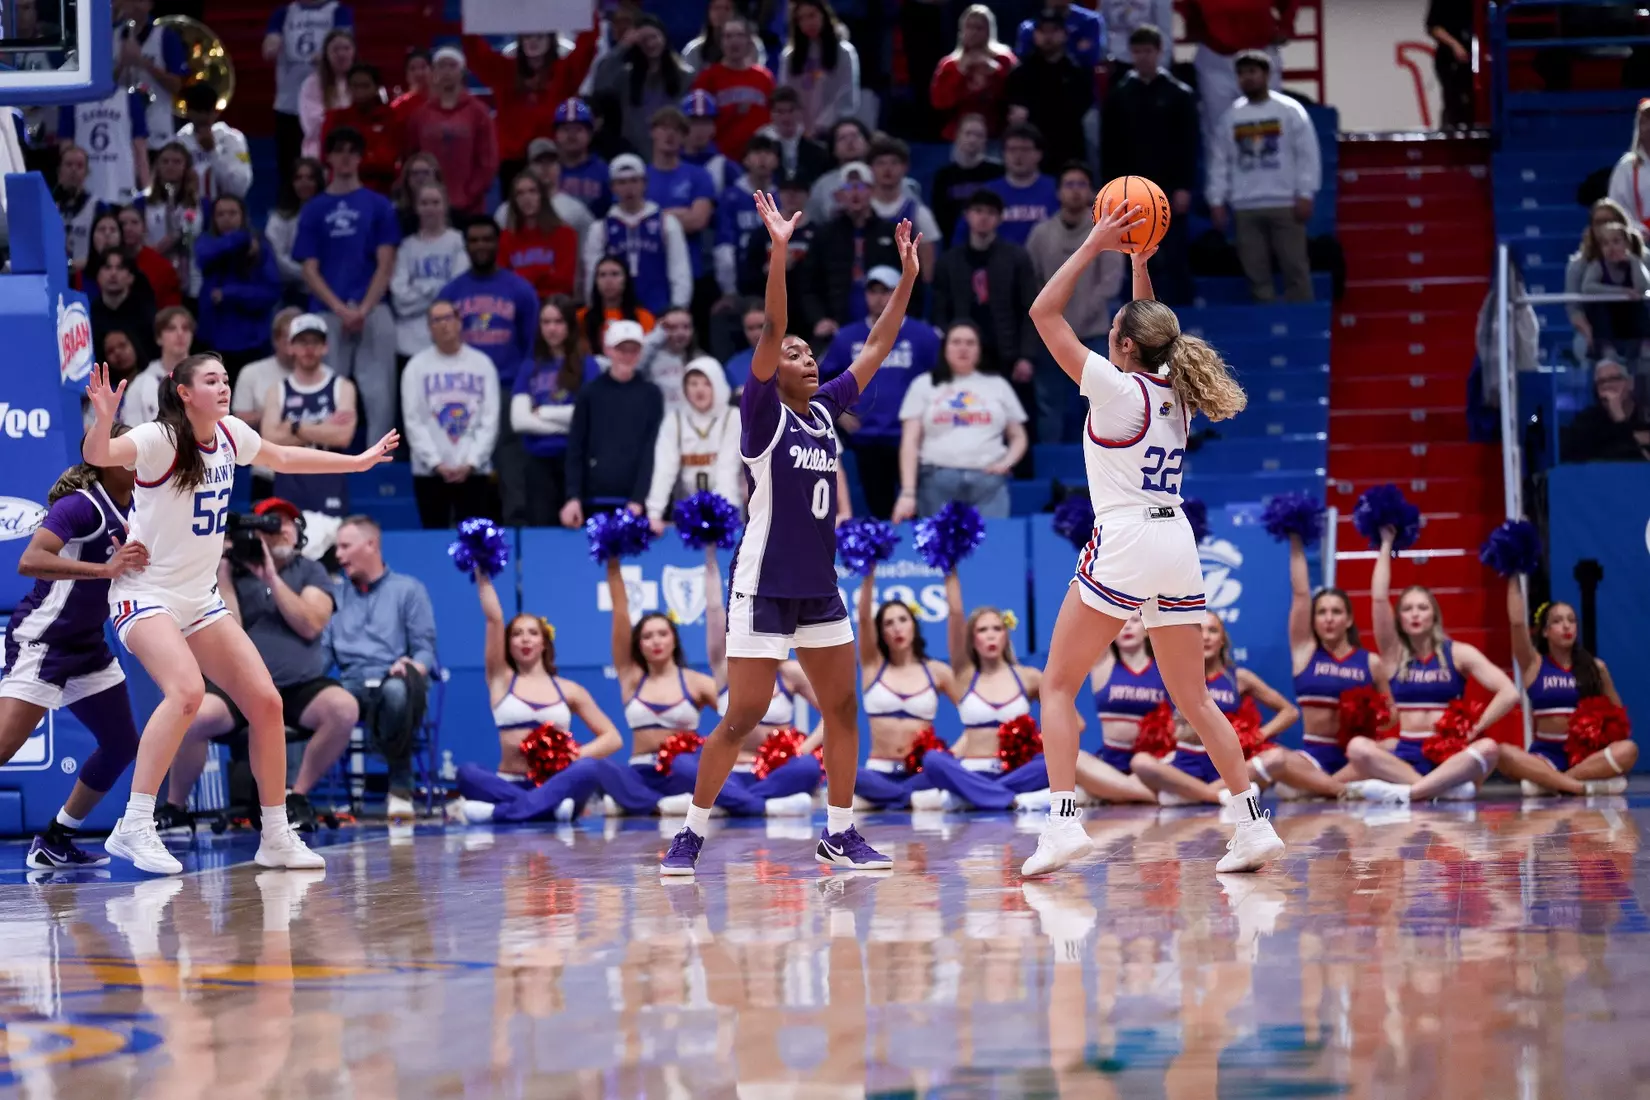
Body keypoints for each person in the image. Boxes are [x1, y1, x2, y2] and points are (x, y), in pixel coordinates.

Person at [658, 199, 922, 875]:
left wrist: (909, 277)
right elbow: (774, 325)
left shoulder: (827, 410)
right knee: (743, 716)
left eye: (809, 353)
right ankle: (690, 832)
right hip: (765, 586)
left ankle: (839, 832)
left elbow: (879, 346)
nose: (805, 358)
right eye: (794, 354)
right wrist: (779, 248)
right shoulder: (761, 415)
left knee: (840, 706)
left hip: (819, 590)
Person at [1024, 201, 1284, 878]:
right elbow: (1153, 330)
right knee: (1195, 700)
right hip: (1179, 544)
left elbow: (1043, 316)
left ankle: (1060, 824)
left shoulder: (1113, 389)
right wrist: (1139, 263)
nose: (1108, 335)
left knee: (1056, 684)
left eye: (1114, 330)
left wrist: (1090, 248)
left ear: (1125, 346)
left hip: (1129, 538)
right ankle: (1251, 822)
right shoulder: (1175, 392)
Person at [83, 355, 394, 875]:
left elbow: (285, 457)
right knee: (186, 693)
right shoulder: (160, 438)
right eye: (211, 380)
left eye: (227, 379)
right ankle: (135, 823)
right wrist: (101, 415)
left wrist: (357, 462)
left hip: (199, 597)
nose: (224, 387)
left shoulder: (229, 434)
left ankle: (275, 834)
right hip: (146, 592)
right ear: (183, 392)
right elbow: (101, 454)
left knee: (266, 703)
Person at [159, 497, 361, 835]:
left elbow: (311, 623)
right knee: (195, 714)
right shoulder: (231, 571)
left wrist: (271, 578)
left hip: (300, 686)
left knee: (343, 709)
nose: (280, 530)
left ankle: (296, 796)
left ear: (299, 534)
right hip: (239, 684)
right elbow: (228, 630)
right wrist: (223, 570)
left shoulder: (310, 571)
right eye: (270, 523)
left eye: (286, 524)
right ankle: (175, 806)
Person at [0, 436, 146, 869]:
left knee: (121, 744)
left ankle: (57, 838)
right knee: (4, 746)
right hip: (45, 639)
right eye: (130, 450)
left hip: (88, 644)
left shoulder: (141, 506)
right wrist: (104, 569)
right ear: (107, 460)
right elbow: (29, 560)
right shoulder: (81, 506)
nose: (140, 456)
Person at [1342, 530, 1520, 805]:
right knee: (1357, 748)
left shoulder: (1459, 653)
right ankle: (1437, 790)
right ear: (1399, 618)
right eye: (1408, 608)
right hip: (1407, 752)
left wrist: (1475, 729)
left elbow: (1509, 692)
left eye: (1422, 608)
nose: (1415, 614)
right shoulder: (1393, 654)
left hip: (1448, 753)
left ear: (1434, 615)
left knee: (1489, 748)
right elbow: (1378, 598)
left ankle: (1409, 793)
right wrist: (1386, 543)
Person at [449, 568, 622, 824]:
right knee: (467, 773)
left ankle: (498, 813)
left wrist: (574, 756)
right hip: (510, 783)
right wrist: (482, 575)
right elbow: (494, 620)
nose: (525, 639)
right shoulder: (500, 680)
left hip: (556, 783)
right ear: (508, 644)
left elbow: (613, 738)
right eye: (517, 634)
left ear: (544, 642)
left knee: (588, 769)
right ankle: (545, 809)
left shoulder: (568, 689)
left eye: (532, 633)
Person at [1247, 535, 1389, 799]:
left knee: (1293, 790)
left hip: (1356, 758)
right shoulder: (1305, 652)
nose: (1328, 619)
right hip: (1313, 758)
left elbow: (1392, 716)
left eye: (1336, 612)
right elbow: (1301, 594)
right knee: (1277, 765)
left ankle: (1320, 788)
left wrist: (1367, 714)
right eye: (1321, 612)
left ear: (1348, 620)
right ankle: (1338, 790)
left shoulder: (1371, 662)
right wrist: (1296, 539)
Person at [579, 556, 718, 813]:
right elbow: (620, 613)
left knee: (690, 769)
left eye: (662, 634)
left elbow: (737, 720)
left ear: (674, 640)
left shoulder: (696, 683)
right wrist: (612, 564)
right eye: (647, 636)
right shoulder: (631, 678)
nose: (656, 641)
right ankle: (663, 806)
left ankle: (637, 805)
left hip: (681, 771)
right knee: (598, 768)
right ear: (638, 644)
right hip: (639, 773)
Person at [906, 571, 1050, 812]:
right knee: (933, 760)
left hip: (1014, 771)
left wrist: (1033, 741)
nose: (991, 635)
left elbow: (1073, 721)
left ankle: (972, 799)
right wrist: (949, 567)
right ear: (972, 639)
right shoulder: (964, 677)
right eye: (983, 630)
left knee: (1052, 763)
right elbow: (955, 615)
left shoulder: (1028, 677)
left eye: (997, 628)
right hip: (972, 771)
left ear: (1006, 635)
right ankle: (1010, 800)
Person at [293, 127, 401, 447]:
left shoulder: (378, 205)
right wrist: (341, 309)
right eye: (338, 150)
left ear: (359, 157)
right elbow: (309, 269)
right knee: (326, 388)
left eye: (351, 151)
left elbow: (386, 263)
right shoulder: (314, 208)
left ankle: (380, 460)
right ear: (328, 157)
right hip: (328, 312)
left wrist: (363, 309)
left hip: (374, 309)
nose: (345, 157)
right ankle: (324, 455)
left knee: (380, 392)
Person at [327, 514, 438, 823]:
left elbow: (425, 649)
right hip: (350, 682)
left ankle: (400, 788)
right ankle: (293, 793)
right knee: (316, 699)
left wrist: (414, 665)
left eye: (345, 546)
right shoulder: (333, 594)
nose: (338, 555)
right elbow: (323, 653)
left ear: (371, 545)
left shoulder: (408, 590)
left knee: (396, 694)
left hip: (394, 677)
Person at [1129, 614, 1299, 806]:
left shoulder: (1238, 677)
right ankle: (1220, 795)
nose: (1206, 637)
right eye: (1200, 631)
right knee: (1140, 762)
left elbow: (1289, 711)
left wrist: (1257, 735)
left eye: (1213, 631)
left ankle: (1192, 794)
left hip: (1227, 761)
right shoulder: (1173, 675)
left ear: (1222, 640)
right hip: (1185, 760)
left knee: (1276, 758)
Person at [820, 265, 940, 519]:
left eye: (886, 291)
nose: (879, 297)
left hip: (914, 437)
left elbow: (941, 381)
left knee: (917, 510)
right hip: (868, 437)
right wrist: (839, 412)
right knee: (881, 511)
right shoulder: (847, 338)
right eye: (873, 291)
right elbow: (821, 381)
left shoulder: (924, 336)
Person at [440, 217, 539, 522]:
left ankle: (517, 533)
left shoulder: (520, 290)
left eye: (487, 239)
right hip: (464, 391)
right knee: (465, 465)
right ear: (466, 245)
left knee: (512, 468)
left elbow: (533, 345)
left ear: (498, 243)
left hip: (508, 388)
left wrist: (525, 389)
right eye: (474, 240)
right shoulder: (452, 292)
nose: (481, 246)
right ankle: (469, 535)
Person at [1494, 582, 1635, 796]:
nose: (1567, 626)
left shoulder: (1595, 667)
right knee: (1503, 753)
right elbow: (1516, 623)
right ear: (1545, 632)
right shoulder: (1534, 665)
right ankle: (1579, 786)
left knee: (1629, 749)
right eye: (1557, 621)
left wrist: (1604, 676)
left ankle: (1551, 783)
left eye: (1571, 620)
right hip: (1546, 755)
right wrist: (1513, 572)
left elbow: (1618, 718)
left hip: (1586, 756)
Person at [1207, 50, 1320, 304]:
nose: (1247, 78)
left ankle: (1300, 324)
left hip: (1284, 204)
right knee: (1256, 275)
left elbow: (1307, 155)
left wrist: (1305, 193)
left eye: (1253, 72)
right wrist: (1216, 199)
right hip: (1246, 206)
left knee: (1296, 269)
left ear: (1266, 75)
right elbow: (1220, 161)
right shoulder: (1231, 117)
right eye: (1242, 73)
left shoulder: (1290, 111)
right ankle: (1270, 326)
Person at [1026, 163, 1126, 443]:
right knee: (1049, 407)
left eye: (1081, 184)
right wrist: (1054, 324)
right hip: (1049, 338)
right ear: (1058, 192)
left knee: (1102, 406)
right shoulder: (1040, 234)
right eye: (1069, 184)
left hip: (1094, 335)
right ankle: (1051, 473)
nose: (1075, 191)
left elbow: (1110, 284)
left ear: (1092, 192)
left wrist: (1072, 321)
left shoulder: (1106, 233)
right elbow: (1031, 282)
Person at [1101, 24, 1198, 305]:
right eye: (1137, 51)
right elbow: (1110, 149)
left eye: (1148, 50)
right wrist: (1112, 190)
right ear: (1131, 53)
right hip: (1132, 191)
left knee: (1176, 254)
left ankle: (1184, 314)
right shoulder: (1119, 95)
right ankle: (1144, 317)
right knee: (1139, 256)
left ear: (1159, 51)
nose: (1143, 56)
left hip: (1169, 187)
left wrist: (1184, 187)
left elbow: (1189, 145)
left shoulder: (1179, 94)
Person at [893, 321, 1029, 520]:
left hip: (988, 483)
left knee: (992, 547)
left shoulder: (998, 385)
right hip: (937, 481)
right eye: (956, 342)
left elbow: (1018, 436)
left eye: (970, 343)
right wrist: (908, 492)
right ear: (945, 348)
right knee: (938, 549)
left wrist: (1007, 462)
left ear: (979, 349)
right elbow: (910, 442)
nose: (963, 348)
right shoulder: (923, 384)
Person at [461, 18, 598, 186]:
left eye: (539, 36)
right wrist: (470, 13)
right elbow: (475, 51)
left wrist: (589, 9)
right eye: (527, 36)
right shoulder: (504, 72)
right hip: (512, 161)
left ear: (550, 39)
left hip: (550, 158)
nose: (532, 41)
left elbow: (587, 47)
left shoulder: (564, 73)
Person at [401, 299, 501, 527]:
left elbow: (490, 420)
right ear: (429, 328)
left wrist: (472, 462)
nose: (443, 325)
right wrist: (436, 463)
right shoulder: (416, 367)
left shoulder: (482, 364)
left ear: (459, 322)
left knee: (476, 542)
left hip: (475, 472)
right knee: (433, 541)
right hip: (430, 473)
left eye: (448, 318)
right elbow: (413, 421)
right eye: (436, 320)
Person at [932, 188, 1042, 395]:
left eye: (990, 213)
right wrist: (947, 352)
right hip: (962, 353)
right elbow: (940, 311)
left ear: (1000, 218)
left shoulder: (1016, 258)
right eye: (978, 211)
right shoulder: (949, 261)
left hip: (1007, 355)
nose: (983, 217)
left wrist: (1026, 356)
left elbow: (1029, 310)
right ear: (967, 215)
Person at [560, 321, 664, 527]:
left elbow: (652, 449)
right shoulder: (590, 393)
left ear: (641, 351)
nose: (627, 355)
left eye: (633, 349)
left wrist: (639, 498)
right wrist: (573, 497)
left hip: (636, 505)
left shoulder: (651, 394)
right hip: (593, 502)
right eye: (621, 349)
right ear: (608, 350)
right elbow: (576, 448)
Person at [260, 312, 357, 522]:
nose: (309, 349)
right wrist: (323, 427)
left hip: (330, 486)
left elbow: (343, 436)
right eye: (302, 342)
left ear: (325, 347)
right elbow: (269, 441)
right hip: (289, 487)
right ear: (290, 347)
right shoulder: (278, 390)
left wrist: (294, 427)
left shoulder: (342, 387)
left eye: (315, 342)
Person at [513, 297, 601, 525]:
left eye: (558, 322)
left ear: (570, 325)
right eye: (546, 322)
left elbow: (590, 416)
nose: (551, 328)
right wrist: (569, 422)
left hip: (576, 462)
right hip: (538, 462)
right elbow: (519, 421)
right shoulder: (530, 366)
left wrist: (542, 412)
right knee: (542, 532)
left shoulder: (588, 365)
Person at [582, 153, 693, 317]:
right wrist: (595, 310)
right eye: (622, 182)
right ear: (613, 187)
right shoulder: (600, 228)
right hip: (615, 315)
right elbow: (592, 274)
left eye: (634, 181)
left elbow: (679, 271)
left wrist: (678, 309)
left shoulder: (666, 223)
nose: (629, 188)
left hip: (660, 311)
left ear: (644, 183)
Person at [799, 162, 899, 338]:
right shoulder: (824, 235)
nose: (855, 193)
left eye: (861, 186)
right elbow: (807, 286)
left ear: (872, 191)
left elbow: (910, 280)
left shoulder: (891, 233)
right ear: (839, 195)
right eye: (848, 187)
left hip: (886, 323)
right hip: (836, 326)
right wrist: (819, 319)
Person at [645, 359, 741, 533]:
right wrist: (654, 513)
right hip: (685, 515)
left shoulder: (732, 418)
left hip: (727, 514)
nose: (699, 390)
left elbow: (727, 469)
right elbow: (664, 469)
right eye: (693, 383)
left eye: (706, 383)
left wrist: (725, 516)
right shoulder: (674, 420)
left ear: (717, 384)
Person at [1186, 0, 1289, 160]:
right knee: (1218, 132)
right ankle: (1221, 185)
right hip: (1216, 57)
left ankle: (1271, 183)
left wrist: (1286, 24)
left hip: (1260, 51)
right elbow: (1190, 6)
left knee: (1268, 128)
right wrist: (1194, 25)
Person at [404, 47, 500, 218]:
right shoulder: (420, 114)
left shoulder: (478, 112)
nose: (447, 71)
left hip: (469, 205)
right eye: (441, 66)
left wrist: (470, 193)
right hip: (428, 204)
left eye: (452, 66)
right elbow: (411, 156)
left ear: (462, 71)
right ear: (434, 72)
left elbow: (488, 160)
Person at [264, 0, 355, 178]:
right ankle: (289, 203)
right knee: (289, 163)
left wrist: (327, 55)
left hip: (324, 98)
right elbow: (269, 45)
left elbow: (343, 41)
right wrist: (271, 43)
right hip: (289, 101)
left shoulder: (338, 11)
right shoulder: (283, 13)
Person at [195, 195, 282, 380]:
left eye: (233, 213)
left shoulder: (261, 247)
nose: (227, 219)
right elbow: (204, 256)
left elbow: (270, 293)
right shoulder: (206, 242)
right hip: (212, 342)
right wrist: (241, 238)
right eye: (220, 214)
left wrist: (230, 294)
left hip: (251, 343)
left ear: (243, 216)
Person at [645, 106, 720, 318]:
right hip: (650, 271)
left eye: (677, 130)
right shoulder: (640, 176)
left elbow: (698, 220)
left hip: (693, 269)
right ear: (653, 132)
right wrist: (677, 214)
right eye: (664, 128)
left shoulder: (699, 176)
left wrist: (658, 216)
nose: (669, 134)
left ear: (684, 137)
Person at [592, 14, 693, 159]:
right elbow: (600, 83)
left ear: (664, 38)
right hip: (635, 153)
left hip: (675, 154)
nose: (650, 44)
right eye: (644, 40)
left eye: (654, 37)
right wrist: (623, 46)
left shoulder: (684, 76)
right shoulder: (626, 77)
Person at [390, 181, 469, 362]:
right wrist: (437, 291)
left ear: (445, 205)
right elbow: (400, 301)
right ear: (416, 208)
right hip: (409, 342)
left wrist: (419, 291)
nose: (430, 208)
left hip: (449, 338)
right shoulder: (406, 246)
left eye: (435, 202)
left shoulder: (458, 241)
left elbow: (457, 291)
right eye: (424, 203)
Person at [1004, 10, 1091, 173]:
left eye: (1054, 31)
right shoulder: (1020, 74)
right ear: (1035, 35)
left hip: (1069, 150)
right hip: (1032, 153)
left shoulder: (1077, 73)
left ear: (1065, 34)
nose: (1048, 37)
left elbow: (1081, 110)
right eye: (1043, 31)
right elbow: (1015, 114)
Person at [1086, 612, 1165, 783]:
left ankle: (1121, 793)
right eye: (1121, 622)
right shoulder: (1103, 664)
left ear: (1147, 629)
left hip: (1154, 762)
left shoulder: (1165, 669)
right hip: (1111, 763)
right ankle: (1137, 792)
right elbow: (1096, 622)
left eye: (1135, 621)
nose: (1127, 626)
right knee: (1076, 760)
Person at [234, 308, 302, 496]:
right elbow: (239, 419)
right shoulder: (252, 373)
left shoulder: (324, 378)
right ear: (275, 340)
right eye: (289, 338)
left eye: (300, 339)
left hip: (309, 471)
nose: (294, 346)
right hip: (266, 470)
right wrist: (272, 415)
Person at [690, 16, 775, 161]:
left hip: (759, 161)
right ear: (721, 42)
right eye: (728, 36)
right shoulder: (707, 78)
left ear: (749, 41)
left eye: (740, 35)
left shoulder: (765, 78)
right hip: (721, 159)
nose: (734, 41)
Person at [930, 5, 1019, 140]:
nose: (974, 32)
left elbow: (1017, 95)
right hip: (956, 135)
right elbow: (939, 102)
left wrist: (995, 72)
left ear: (989, 31)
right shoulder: (949, 64)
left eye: (979, 28)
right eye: (969, 27)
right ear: (961, 30)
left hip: (997, 133)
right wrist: (960, 72)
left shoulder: (1004, 59)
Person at [713, 132, 783, 306]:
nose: (762, 158)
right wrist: (729, 290)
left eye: (768, 153)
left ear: (776, 161)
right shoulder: (731, 197)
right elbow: (724, 247)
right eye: (756, 153)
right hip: (742, 280)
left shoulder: (783, 196)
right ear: (745, 160)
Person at [777, 0, 861, 139]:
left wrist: (821, 127)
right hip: (799, 134)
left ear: (824, 15)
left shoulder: (844, 52)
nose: (808, 23)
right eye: (801, 19)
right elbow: (786, 96)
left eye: (812, 15)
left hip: (833, 132)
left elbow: (846, 97)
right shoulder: (789, 57)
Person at [58, 82, 150, 207]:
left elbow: (140, 150)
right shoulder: (73, 99)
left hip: (122, 186)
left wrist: (147, 194)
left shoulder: (129, 98)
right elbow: (66, 149)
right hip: (84, 190)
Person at [1565, 199, 1633, 362]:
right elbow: (1574, 310)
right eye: (1598, 222)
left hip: (1633, 327)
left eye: (1609, 221)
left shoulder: (1641, 259)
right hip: (1594, 330)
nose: (1603, 226)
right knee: (1587, 347)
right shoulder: (1578, 265)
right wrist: (1588, 332)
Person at [971, 123, 1057, 248]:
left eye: (1025, 149)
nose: (1018, 156)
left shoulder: (1056, 189)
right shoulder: (987, 192)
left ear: (1039, 154)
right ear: (1003, 154)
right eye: (1012, 149)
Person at [866, 136, 941, 278]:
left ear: (905, 168)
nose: (887, 169)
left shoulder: (920, 214)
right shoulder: (860, 212)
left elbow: (928, 270)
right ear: (871, 169)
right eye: (881, 163)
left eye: (894, 163)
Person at [320, 63, 400, 195]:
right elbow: (326, 157)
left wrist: (352, 161)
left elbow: (388, 161)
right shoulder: (335, 118)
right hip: (343, 190)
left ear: (376, 88)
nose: (360, 91)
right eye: (355, 86)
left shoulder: (390, 117)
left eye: (365, 86)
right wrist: (371, 159)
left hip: (382, 191)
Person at [498, 171, 579, 301]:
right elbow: (503, 283)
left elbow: (564, 282)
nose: (527, 198)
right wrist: (543, 273)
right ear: (514, 201)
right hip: (518, 305)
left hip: (554, 305)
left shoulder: (565, 234)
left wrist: (521, 277)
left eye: (532, 191)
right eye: (520, 193)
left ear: (542, 196)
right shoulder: (505, 238)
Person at [115, 0, 187, 146]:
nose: (134, 5)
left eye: (140, 1)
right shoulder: (111, 36)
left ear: (150, 5)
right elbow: (102, 88)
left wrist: (143, 63)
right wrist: (122, 64)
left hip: (157, 128)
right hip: (120, 128)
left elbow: (176, 86)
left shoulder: (166, 36)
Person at [137, 142, 203, 299]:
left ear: (187, 167)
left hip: (191, 279)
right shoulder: (141, 203)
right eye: (165, 161)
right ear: (157, 166)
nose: (170, 166)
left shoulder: (201, 204)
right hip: (151, 275)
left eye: (177, 162)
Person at [1579, 222, 1650, 367]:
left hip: (1628, 323)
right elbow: (1588, 288)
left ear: (1627, 245)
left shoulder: (1635, 263)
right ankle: (1607, 351)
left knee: (1641, 306)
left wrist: (1633, 261)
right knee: (1597, 308)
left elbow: (1643, 287)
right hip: (1607, 323)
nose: (1611, 248)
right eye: (1605, 244)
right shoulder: (1598, 265)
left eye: (1616, 242)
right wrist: (1622, 292)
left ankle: (1645, 348)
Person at [173, 83, 253, 204]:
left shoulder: (233, 139)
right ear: (188, 112)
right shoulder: (180, 140)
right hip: (190, 210)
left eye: (207, 111)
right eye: (197, 111)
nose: (203, 117)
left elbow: (240, 187)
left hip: (224, 209)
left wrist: (213, 152)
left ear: (216, 112)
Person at [931, 114, 1005, 245]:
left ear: (985, 140)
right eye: (968, 134)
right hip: (954, 246)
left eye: (979, 135)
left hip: (992, 243)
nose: (973, 139)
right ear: (958, 137)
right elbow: (939, 216)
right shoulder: (943, 176)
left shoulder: (998, 172)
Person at [1561, 359, 1650, 462]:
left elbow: (1638, 461)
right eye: (1601, 382)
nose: (1607, 386)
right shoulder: (1586, 422)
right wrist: (1631, 434)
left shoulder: (1645, 417)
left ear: (1630, 384)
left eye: (1614, 379)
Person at [637, 306, 720, 413]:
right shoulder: (649, 359)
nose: (680, 333)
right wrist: (656, 336)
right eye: (672, 328)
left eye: (686, 327)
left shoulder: (702, 360)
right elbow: (633, 367)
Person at [122, 305, 195, 427]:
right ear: (158, 338)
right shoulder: (141, 384)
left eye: (185, 328)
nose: (180, 333)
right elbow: (132, 434)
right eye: (171, 328)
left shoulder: (209, 378)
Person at [89, 250, 159, 373]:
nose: (113, 273)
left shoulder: (146, 313)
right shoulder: (89, 313)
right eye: (107, 267)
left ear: (131, 277)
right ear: (98, 276)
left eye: (120, 268)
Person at [266, 157, 324, 301]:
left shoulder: (331, 214)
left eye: (310, 178)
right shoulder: (279, 218)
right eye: (298, 178)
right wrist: (308, 275)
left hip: (329, 287)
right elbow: (276, 258)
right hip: (292, 290)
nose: (304, 183)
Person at [579, 255, 658, 352]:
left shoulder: (644, 317)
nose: (608, 281)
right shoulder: (581, 317)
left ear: (625, 279)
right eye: (602, 275)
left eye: (615, 274)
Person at [298, 28, 354, 160]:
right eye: (335, 50)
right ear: (326, 54)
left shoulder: (362, 82)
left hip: (355, 152)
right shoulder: (312, 84)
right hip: (320, 152)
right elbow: (312, 125)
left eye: (346, 49)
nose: (341, 54)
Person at [552, 97, 611, 217]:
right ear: (556, 135)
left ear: (589, 134)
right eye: (565, 129)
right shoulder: (545, 171)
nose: (571, 135)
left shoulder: (605, 172)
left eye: (578, 129)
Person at [117, 205, 183, 309]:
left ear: (144, 227)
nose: (128, 228)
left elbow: (171, 311)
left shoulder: (162, 267)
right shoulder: (106, 264)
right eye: (122, 224)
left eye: (134, 222)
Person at [767, 86, 832, 186]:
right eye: (780, 112)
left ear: (800, 112)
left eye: (791, 111)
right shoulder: (764, 143)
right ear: (771, 114)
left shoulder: (817, 148)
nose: (786, 117)